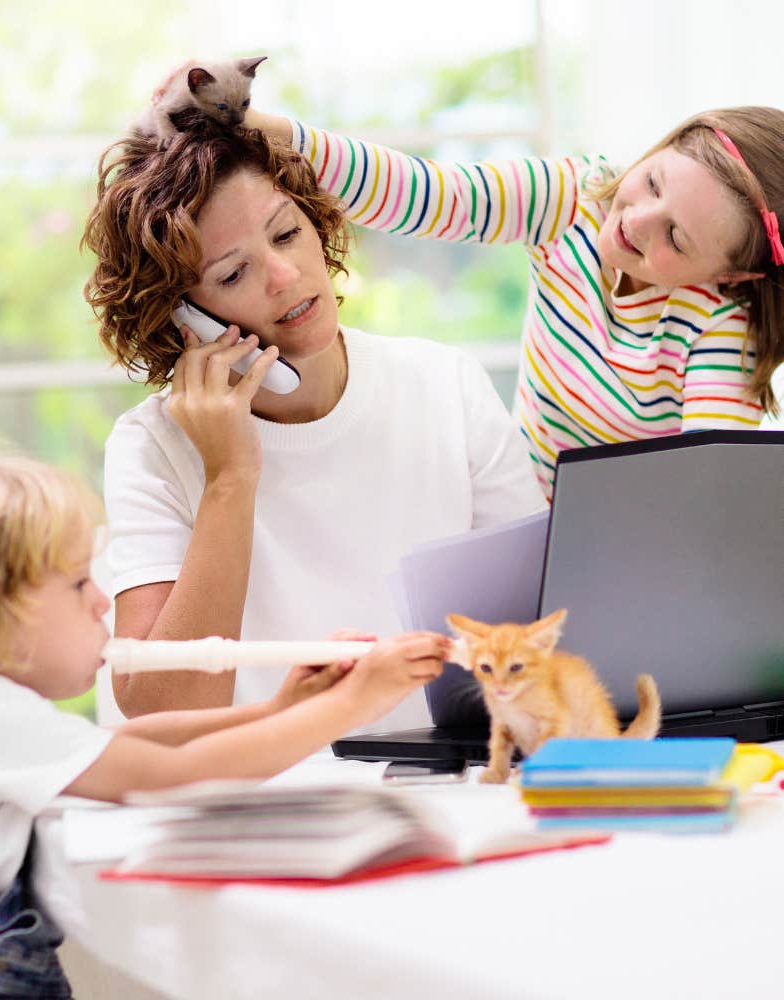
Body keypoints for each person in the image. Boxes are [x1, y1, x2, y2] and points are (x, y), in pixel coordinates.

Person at [82, 117, 546, 725]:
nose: (284, 275)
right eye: (231, 274)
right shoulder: (152, 448)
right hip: (251, 797)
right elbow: (163, 710)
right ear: (179, 319)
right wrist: (229, 477)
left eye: (285, 233)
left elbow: (542, 633)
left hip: (440, 784)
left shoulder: (444, 385)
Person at [0, 453, 449, 998]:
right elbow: (168, 777)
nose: (101, 600)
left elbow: (121, 746)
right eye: (78, 582)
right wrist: (352, 707)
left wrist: (279, 712)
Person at [244, 105, 784, 499]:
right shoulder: (573, 198)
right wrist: (263, 126)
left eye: (676, 237)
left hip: (617, 550)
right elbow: (426, 195)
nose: (636, 221)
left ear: (731, 273)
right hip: (510, 509)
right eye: (653, 182)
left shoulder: (720, 327)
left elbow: (708, 495)